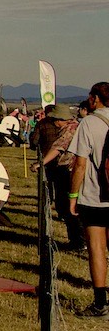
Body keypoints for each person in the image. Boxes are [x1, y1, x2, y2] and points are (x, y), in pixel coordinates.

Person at [67, 82, 109, 317]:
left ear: (94, 99)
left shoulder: (89, 123)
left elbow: (80, 164)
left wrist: (73, 196)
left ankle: (100, 303)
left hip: (95, 196)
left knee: (96, 248)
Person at [34, 104, 83, 250]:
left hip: (69, 171)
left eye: (55, 119)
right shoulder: (78, 126)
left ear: (62, 119)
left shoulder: (70, 130)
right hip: (73, 171)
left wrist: (40, 163)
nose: (54, 122)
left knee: (68, 207)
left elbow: (58, 148)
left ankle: (78, 242)